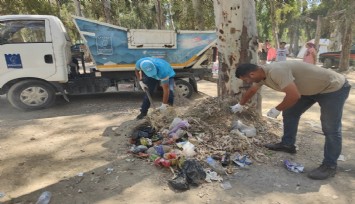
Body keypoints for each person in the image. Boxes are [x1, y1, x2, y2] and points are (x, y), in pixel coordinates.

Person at [230, 61, 350, 180]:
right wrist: (240, 105)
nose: (247, 82)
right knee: (290, 112)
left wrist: (277, 109)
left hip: (332, 88)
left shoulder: (276, 71)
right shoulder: (260, 75)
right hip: (309, 90)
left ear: (251, 74)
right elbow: (252, 90)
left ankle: (330, 165)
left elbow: (294, 95)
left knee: (330, 127)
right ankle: (287, 144)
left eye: (246, 80)